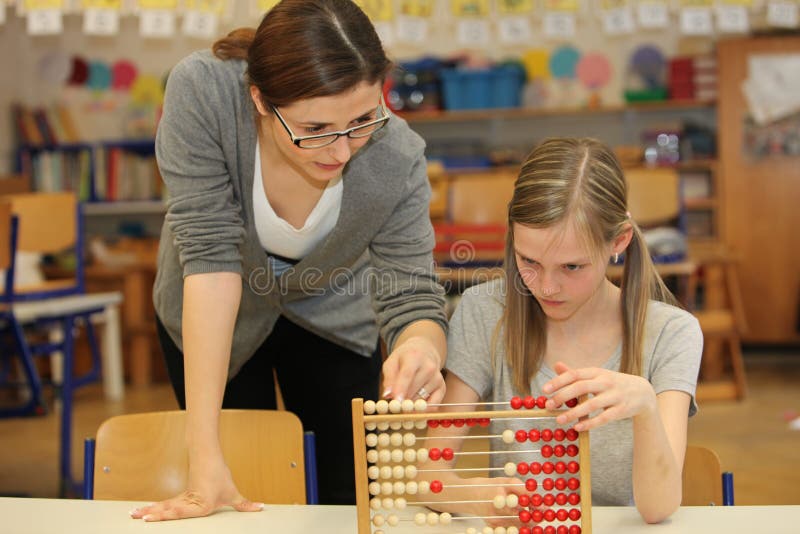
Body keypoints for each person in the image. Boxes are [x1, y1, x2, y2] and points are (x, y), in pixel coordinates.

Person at [131, 0, 448, 521]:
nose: (342, 151)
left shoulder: (397, 156)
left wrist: (422, 348)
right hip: (213, 313)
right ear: (260, 99)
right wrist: (203, 456)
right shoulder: (205, 94)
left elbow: (412, 296)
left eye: (364, 119)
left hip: (334, 314)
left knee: (349, 496)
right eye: (316, 127)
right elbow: (210, 263)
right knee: (236, 482)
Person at [417, 137, 702, 526]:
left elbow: (659, 507)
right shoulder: (484, 313)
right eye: (528, 260)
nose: (546, 287)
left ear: (619, 241)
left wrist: (646, 407)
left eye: (571, 267)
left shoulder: (672, 333)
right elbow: (427, 476)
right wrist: (481, 498)